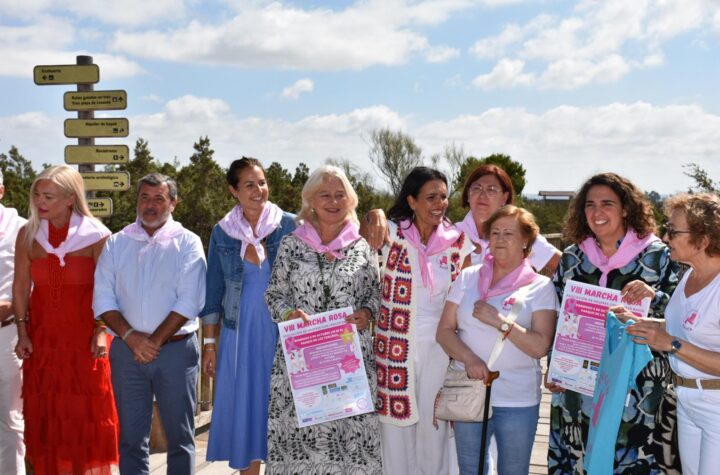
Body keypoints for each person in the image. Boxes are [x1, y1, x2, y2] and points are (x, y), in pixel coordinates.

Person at [546, 172, 680, 474]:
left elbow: (684, 314)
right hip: (577, 381)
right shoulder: (572, 258)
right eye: (590, 205)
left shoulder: (658, 255)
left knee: (630, 456)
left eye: (607, 203)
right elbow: (558, 317)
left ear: (626, 209)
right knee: (577, 452)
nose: (597, 212)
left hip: (637, 385)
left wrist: (655, 296)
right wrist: (554, 365)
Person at [264, 165, 382, 474]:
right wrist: (289, 314)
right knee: (304, 444)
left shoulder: (361, 246)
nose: (333, 201)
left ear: (350, 200)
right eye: (324, 195)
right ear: (310, 201)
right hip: (302, 361)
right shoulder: (291, 244)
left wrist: (367, 313)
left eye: (339, 195)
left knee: (348, 442)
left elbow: (376, 294)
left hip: (349, 363)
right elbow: (273, 295)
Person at [93, 173, 206, 475]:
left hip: (176, 352)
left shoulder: (188, 242)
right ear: (137, 201)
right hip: (127, 353)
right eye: (145, 197)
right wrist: (132, 339)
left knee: (180, 439)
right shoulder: (117, 243)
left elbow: (189, 301)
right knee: (131, 439)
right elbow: (103, 299)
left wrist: (152, 342)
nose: (151, 205)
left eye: (159, 198)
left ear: (174, 203)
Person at [13, 165, 119, 474]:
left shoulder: (97, 235)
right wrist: (23, 331)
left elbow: (107, 288)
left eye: (49, 196)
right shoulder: (29, 234)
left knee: (85, 416)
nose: (39, 201)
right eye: (37, 194)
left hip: (85, 340)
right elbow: (21, 286)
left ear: (71, 198)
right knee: (48, 416)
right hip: (44, 342)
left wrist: (101, 330)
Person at [437, 205, 558, 475]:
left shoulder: (540, 286)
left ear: (526, 241)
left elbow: (539, 347)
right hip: (470, 391)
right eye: (495, 232)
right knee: (472, 470)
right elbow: (444, 331)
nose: (500, 239)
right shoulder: (468, 277)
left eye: (509, 233)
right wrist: (470, 359)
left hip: (518, 398)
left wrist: (499, 321)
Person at [200, 157, 296, 474]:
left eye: (262, 182)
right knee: (247, 413)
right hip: (238, 337)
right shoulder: (222, 233)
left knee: (284, 413)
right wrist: (210, 345)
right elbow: (213, 293)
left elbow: (339, 225)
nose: (258, 190)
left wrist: (374, 214)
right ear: (233, 190)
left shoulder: (291, 225)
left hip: (282, 335)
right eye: (249, 184)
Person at [614, 193, 720, 475]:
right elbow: (682, 328)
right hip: (687, 402)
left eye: (673, 230)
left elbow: (677, 340)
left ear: (703, 239)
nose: (665, 234)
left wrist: (672, 345)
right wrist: (640, 322)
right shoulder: (690, 275)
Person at [376, 166, 473, 475]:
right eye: (431, 197)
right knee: (395, 423)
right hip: (394, 344)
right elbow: (360, 231)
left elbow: (467, 292)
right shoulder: (391, 234)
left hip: (440, 343)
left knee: (435, 422)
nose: (439, 204)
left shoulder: (458, 241)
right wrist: (374, 213)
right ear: (412, 200)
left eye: (444, 197)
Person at [455, 164, 561, 273]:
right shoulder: (451, 236)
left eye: (491, 190)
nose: (483, 195)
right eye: (477, 188)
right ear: (468, 194)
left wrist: (543, 288)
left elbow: (566, 269)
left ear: (504, 198)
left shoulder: (521, 234)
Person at [0, 169, 27, 475]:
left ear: (2, 191)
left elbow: (34, 284)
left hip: (7, 334)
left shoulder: (22, 229)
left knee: (9, 419)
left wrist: (11, 306)